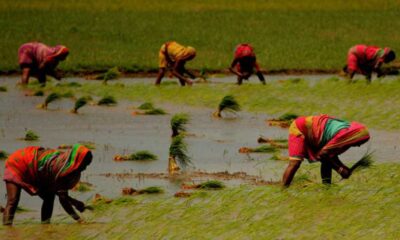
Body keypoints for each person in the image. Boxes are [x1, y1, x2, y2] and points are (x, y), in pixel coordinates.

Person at [3, 144, 92, 225]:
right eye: (83, 164)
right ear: (77, 160)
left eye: (87, 165)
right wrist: (79, 219)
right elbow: (63, 200)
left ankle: (45, 225)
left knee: (49, 197)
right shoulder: (60, 169)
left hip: (34, 167)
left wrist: (74, 202)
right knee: (13, 201)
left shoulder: (68, 167)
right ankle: (7, 230)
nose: (84, 168)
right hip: (18, 162)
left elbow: (60, 193)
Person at [282, 114, 370, 187]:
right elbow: (322, 155)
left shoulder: (347, 135)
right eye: (360, 142)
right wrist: (340, 169)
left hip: (316, 133)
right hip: (300, 128)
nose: (359, 145)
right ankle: (283, 190)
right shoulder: (342, 135)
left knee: (327, 160)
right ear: (354, 137)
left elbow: (330, 156)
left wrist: (342, 168)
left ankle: (327, 188)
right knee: (295, 163)